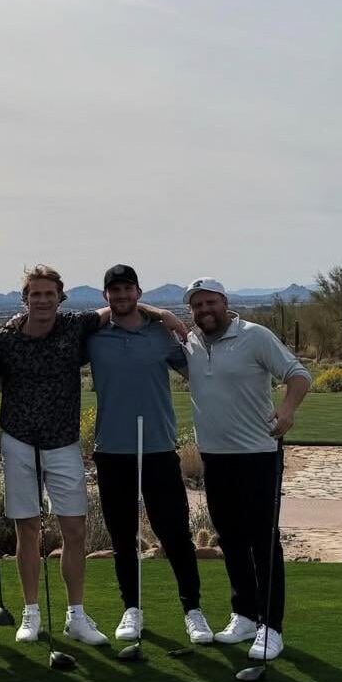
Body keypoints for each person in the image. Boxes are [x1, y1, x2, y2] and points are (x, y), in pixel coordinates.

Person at [0, 264, 186, 647]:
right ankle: (31, 614)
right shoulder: (5, 339)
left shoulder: (76, 326)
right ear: (25, 299)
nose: (42, 300)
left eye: (49, 294)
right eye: (35, 294)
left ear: (60, 298)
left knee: (75, 530)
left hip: (63, 442)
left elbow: (121, 307)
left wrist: (162, 313)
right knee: (27, 529)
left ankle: (75, 616)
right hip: (18, 441)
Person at [181, 277, 311, 662]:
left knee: (263, 541)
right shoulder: (190, 342)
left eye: (210, 303)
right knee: (230, 538)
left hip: (258, 453)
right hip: (215, 456)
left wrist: (286, 411)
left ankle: (272, 627)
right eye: (197, 306)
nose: (205, 311)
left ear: (225, 302)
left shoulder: (255, 336)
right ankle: (245, 615)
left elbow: (299, 375)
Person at [84, 264, 213, 646]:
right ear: (105, 296)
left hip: (158, 448)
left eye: (127, 289)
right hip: (112, 450)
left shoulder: (161, 335)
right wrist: (162, 311)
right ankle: (132, 609)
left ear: (139, 292)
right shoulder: (93, 337)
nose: (121, 296)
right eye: (114, 291)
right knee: (122, 536)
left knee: (174, 533)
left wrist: (165, 317)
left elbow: (198, 372)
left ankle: (193, 610)